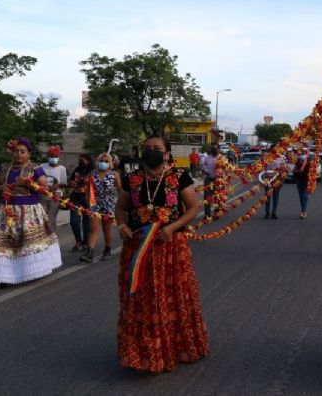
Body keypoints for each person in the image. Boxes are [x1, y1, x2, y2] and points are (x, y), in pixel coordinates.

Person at [114, 135, 208, 373]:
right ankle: (143, 351)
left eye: (157, 148)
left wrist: (171, 228)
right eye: (147, 148)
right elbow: (121, 208)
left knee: (171, 296)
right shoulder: (132, 179)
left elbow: (193, 209)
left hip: (170, 247)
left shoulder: (179, 177)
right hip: (137, 248)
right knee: (140, 298)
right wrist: (122, 225)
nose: (152, 152)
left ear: (167, 154)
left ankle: (174, 348)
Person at [0, 137, 62, 284]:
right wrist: (0, 188)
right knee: (5, 243)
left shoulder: (35, 169)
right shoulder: (3, 168)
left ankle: (30, 271)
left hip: (28, 213)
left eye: (22, 151)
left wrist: (29, 184)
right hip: (5, 212)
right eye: (16, 151)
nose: (19, 154)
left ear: (29, 154)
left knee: (26, 243)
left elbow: (45, 190)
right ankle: (2, 276)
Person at [80, 152, 121, 263]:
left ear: (110, 163)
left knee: (106, 229)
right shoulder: (92, 174)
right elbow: (88, 190)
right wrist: (89, 204)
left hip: (109, 204)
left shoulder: (114, 175)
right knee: (93, 228)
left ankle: (107, 249)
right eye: (101, 161)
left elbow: (120, 190)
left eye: (106, 161)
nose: (103, 163)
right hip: (95, 204)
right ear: (98, 162)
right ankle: (89, 252)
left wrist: (120, 205)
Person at [39, 145, 68, 231]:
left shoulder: (62, 169)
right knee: (41, 216)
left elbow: (64, 183)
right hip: (42, 194)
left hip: (55, 195)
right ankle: (41, 235)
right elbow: (37, 180)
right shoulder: (42, 166)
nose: (54, 158)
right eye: (52, 156)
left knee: (52, 217)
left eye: (56, 156)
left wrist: (57, 185)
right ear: (48, 156)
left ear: (59, 157)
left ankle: (51, 237)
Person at [69, 154, 94, 251]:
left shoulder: (93, 171)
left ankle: (86, 243)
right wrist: (72, 183)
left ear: (88, 160)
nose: (81, 161)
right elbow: (70, 180)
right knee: (74, 221)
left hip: (88, 199)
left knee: (87, 222)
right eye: (80, 160)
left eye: (83, 160)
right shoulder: (77, 170)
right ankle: (78, 241)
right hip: (76, 198)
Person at [263, 153, 287, 220]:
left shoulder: (282, 158)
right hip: (268, 179)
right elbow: (263, 168)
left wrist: (283, 174)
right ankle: (267, 212)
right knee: (267, 196)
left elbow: (284, 168)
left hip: (278, 180)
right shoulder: (267, 157)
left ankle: (274, 212)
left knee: (276, 196)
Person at [201, 143, 220, 218]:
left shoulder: (222, 158)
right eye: (212, 148)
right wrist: (206, 170)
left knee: (217, 197)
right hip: (209, 180)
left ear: (218, 149)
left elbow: (227, 169)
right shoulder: (207, 158)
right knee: (207, 197)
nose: (213, 150)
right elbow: (203, 166)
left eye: (215, 148)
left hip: (219, 180)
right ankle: (207, 214)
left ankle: (217, 212)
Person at [293, 148, 310, 219]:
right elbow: (294, 170)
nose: (303, 153)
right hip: (299, 180)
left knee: (305, 195)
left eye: (304, 152)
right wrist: (298, 171)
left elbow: (313, 170)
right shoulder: (297, 161)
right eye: (302, 151)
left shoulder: (309, 161)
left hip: (307, 180)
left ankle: (303, 211)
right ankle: (303, 210)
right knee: (301, 196)